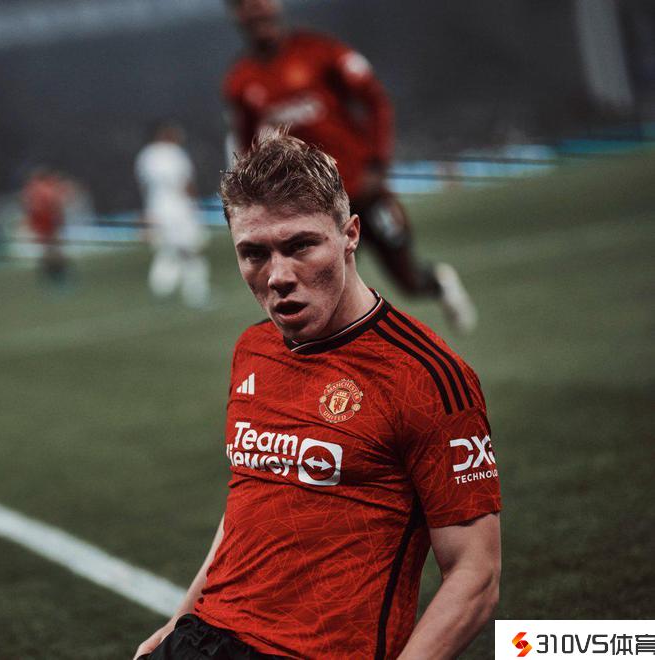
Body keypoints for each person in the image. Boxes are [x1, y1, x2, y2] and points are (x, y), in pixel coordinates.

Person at [134, 130, 501, 660]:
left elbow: (475, 575)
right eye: (254, 253)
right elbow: (248, 500)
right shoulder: (253, 348)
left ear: (350, 234)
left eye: (301, 245)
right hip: (202, 639)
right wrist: (179, 620)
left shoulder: (427, 376)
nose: (278, 276)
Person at [222, 0, 477, 333]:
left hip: (360, 191)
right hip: (308, 208)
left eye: (260, 2)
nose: (255, 10)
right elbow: (249, 148)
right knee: (318, 293)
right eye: (243, 5)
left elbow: (375, 100)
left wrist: (376, 163)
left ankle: (437, 283)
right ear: (236, 15)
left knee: (408, 280)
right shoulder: (241, 81)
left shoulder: (319, 51)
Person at [135, 120, 211, 308]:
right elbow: (185, 184)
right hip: (180, 209)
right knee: (191, 251)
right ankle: (197, 293)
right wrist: (195, 206)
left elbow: (144, 187)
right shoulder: (175, 153)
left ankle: (161, 289)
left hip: (157, 209)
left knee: (168, 251)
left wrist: (147, 213)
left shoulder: (146, 156)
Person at [21, 167, 71, 285]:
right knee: (54, 249)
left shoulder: (31, 188)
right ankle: (58, 275)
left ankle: (51, 275)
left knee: (48, 250)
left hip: (40, 223)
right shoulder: (46, 188)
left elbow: (27, 206)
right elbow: (54, 204)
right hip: (49, 221)